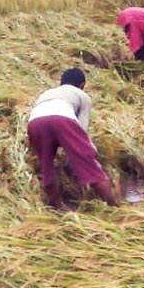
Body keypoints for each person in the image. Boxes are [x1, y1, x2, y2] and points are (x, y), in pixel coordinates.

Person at [27, 68, 118, 210]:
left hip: (35, 122)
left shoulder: (46, 93)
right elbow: (82, 129)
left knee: (47, 167)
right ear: (82, 85)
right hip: (62, 119)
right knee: (90, 167)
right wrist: (88, 153)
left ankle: (56, 210)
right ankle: (114, 207)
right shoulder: (82, 95)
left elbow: (42, 115)